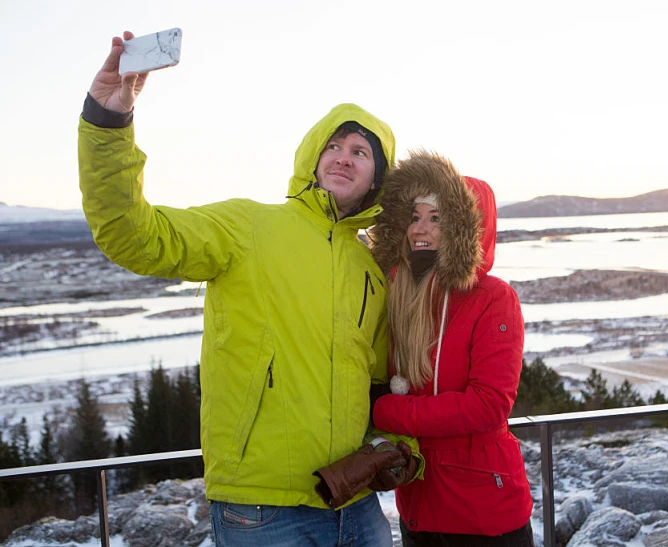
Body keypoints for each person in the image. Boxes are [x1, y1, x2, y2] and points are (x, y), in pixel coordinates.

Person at [78, 31, 419, 546]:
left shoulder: (369, 269)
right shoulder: (248, 227)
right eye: (332, 146)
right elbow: (134, 234)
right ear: (313, 160)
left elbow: (377, 383)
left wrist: (393, 448)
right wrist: (108, 121)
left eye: (359, 151)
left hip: (354, 502)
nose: (343, 158)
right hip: (261, 510)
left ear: (377, 178)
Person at [369, 150, 535, 546]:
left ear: (464, 228)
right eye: (414, 216)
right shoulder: (398, 294)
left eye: (437, 218)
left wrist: (385, 410)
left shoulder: (492, 298)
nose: (420, 228)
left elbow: (488, 405)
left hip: (484, 513)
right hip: (418, 507)